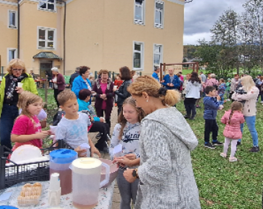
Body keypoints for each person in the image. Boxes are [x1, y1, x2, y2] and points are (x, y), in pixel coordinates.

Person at [123, 76, 201, 209]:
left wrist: (135, 173)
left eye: (136, 100)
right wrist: (138, 160)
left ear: (145, 95)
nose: (137, 105)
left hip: (165, 200)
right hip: (186, 194)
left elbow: (159, 166)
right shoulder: (173, 113)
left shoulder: (152, 123)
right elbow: (169, 154)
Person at [0, 59, 38, 150]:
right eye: (15, 69)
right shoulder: (6, 79)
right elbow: (1, 97)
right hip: (6, 109)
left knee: (22, 135)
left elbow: (35, 97)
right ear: (11, 69)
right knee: (4, 136)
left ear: (23, 69)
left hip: (22, 109)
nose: (17, 72)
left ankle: (21, 154)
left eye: (20, 69)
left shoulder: (28, 79)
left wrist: (23, 92)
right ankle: (7, 156)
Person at [111, 97, 144, 209]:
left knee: (137, 199)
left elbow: (147, 149)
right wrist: (115, 157)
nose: (126, 114)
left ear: (139, 111)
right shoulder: (118, 127)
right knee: (124, 199)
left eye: (130, 112)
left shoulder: (144, 127)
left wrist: (136, 156)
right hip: (121, 169)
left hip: (138, 170)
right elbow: (113, 146)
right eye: (124, 111)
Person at [55, 89, 100, 157]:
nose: (74, 108)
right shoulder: (62, 125)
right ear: (62, 107)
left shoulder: (84, 117)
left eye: (75, 104)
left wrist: (92, 147)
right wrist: (74, 152)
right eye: (69, 106)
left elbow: (85, 134)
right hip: (72, 159)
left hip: (86, 155)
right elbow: (60, 146)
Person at [232, 76, 260, 152]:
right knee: (239, 127)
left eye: (243, 81)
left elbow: (247, 97)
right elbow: (233, 96)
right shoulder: (242, 88)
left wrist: (239, 96)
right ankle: (238, 140)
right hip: (240, 111)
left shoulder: (254, 89)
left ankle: (256, 145)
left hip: (250, 111)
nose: (241, 83)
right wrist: (239, 96)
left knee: (252, 128)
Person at [78, 89, 109, 153]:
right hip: (85, 124)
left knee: (106, 126)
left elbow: (90, 116)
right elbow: (88, 118)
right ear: (87, 97)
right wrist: (99, 119)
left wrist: (97, 118)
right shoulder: (81, 106)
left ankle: (102, 144)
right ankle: (99, 146)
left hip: (88, 122)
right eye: (90, 96)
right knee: (103, 127)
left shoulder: (82, 102)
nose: (90, 98)